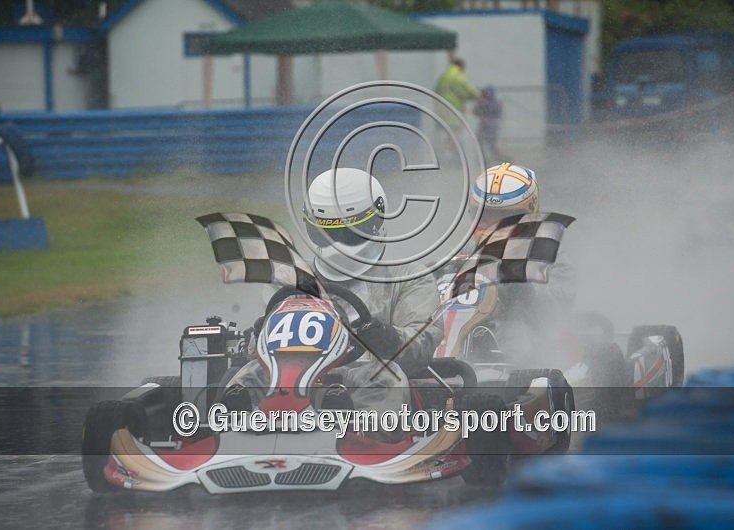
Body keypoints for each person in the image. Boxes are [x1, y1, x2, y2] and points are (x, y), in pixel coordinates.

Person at [226, 168, 443, 415]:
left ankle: (360, 438)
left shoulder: (409, 277)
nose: (337, 242)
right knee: (249, 375)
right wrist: (259, 336)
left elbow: (422, 345)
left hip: (364, 374)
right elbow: (264, 352)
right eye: (327, 231)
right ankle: (229, 431)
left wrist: (388, 339)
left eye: (348, 231)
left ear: (376, 220)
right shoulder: (290, 281)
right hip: (294, 378)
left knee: (385, 378)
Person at [468, 162, 576, 352]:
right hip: (464, 337)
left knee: (515, 333)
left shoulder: (549, 256)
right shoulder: (462, 256)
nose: (493, 225)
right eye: (486, 215)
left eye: (505, 217)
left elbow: (560, 305)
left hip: (527, 344)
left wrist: (520, 287)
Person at [473, 86, 510, 164]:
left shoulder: (495, 104)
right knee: (479, 144)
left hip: (491, 128)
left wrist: (481, 104)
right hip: (483, 127)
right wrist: (479, 104)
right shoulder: (482, 103)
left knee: (491, 145)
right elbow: (475, 112)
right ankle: (483, 159)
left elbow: (491, 111)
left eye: (484, 95)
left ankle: (502, 159)